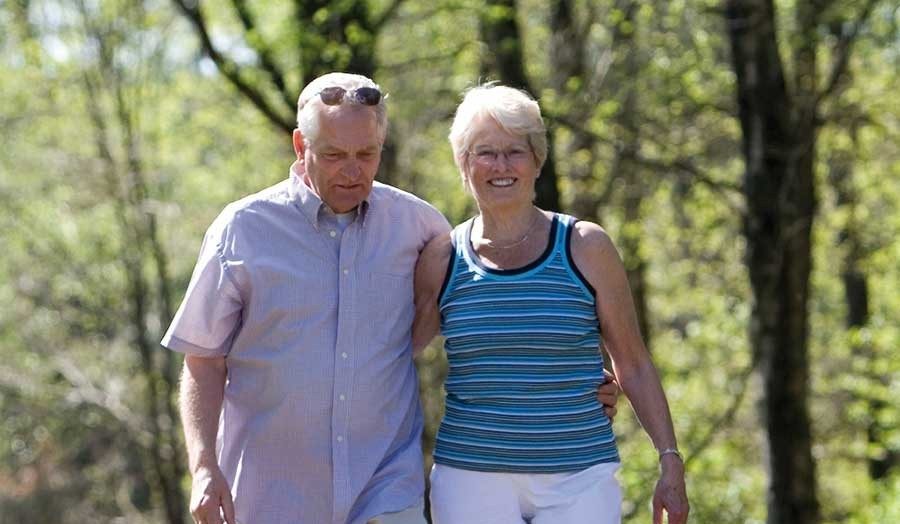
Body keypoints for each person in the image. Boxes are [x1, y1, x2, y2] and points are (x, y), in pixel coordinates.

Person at [161, 72, 620, 524]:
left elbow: (491, 305)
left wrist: (570, 380)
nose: (353, 170)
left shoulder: (422, 230)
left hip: (384, 487)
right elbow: (203, 359)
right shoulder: (242, 229)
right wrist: (204, 467)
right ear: (301, 147)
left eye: (366, 153)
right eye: (335, 154)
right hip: (272, 492)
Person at [412, 84, 689, 524]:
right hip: (471, 476)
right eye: (485, 152)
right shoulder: (442, 258)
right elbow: (393, 360)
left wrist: (670, 460)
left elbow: (632, 363)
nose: (501, 166)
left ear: (537, 159)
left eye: (515, 151)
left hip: (580, 476)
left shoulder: (585, 247)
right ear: (463, 164)